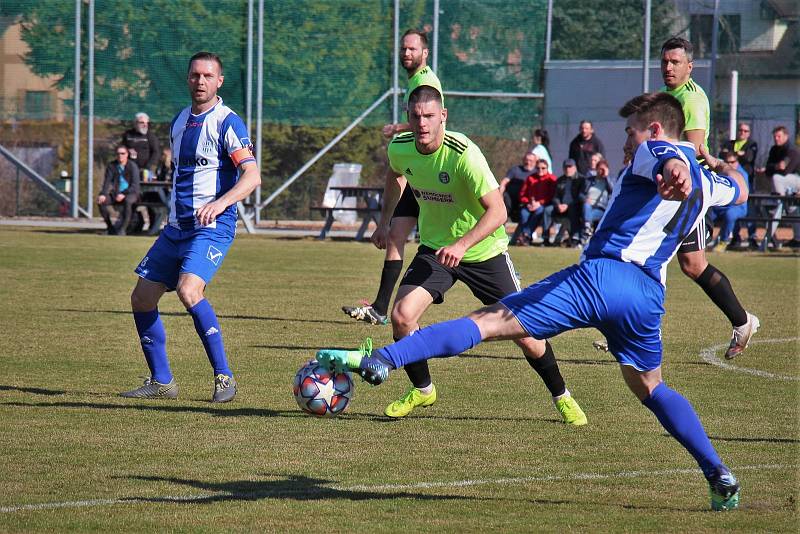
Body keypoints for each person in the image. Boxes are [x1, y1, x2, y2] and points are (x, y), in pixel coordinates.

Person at [318, 92, 747, 512]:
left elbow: (663, 156)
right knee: (650, 387)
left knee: (487, 323)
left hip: (601, 277)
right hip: (648, 296)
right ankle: (718, 473)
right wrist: (722, 164)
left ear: (653, 129)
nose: (625, 143)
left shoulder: (654, 150)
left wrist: (675, 163)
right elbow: (740, 190)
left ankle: (387, 359)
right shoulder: (709, 182)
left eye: (629, 133)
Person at [364, 84, 586, 423]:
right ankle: (423, 390)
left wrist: (463, 244)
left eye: (428, 116)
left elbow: (498, 212)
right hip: (437, 250)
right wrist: (384, 221)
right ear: (407, 118)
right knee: (402, 316)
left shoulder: (464, 153)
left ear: (443, 116)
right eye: (415, 116)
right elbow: (395, 176)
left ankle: (562, 395)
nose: (422, 123)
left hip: (484, 252)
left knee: (527, 334)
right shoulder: (401, 147)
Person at [121, 52, 260, 402]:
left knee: (189, 291)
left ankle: (224, 377)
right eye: (195, 75)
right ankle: (162, 381)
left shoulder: (228, 122)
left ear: (219, 81)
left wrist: (221, 202)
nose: (201, 81)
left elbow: (252, 175)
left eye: (208, 76)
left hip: (213, 226)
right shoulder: (179, 121)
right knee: (141, 298)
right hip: (176, 228)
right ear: (188, 79)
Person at [660, 36, 758, 359]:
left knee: (688, 263)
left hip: (688, 192)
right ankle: (743, 322)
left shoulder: (692, 100)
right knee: (688, 264)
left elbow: (690, 152)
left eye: (675, 62)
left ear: (690, 66)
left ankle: (742, 322)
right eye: (665, 61)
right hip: (669, 189)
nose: (668, 67)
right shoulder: (664, 97)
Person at [342, 29, 442, 326]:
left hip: (428, 172)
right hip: (418, 170)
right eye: (403, 48)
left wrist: (398, 129)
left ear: (425, 53)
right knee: (397, 235)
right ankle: (381, 307)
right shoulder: (415, 81)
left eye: (412, 49)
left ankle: (390, 307)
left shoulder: (425, 82)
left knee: (445, 245)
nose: (406, 53)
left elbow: (429, 123)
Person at [762, 125, 800, 248]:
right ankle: (798, 239)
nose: (776, 139)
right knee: (793, 210)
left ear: (786, 136)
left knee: (776, 178)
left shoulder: (792, 150)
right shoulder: (774, 149)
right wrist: (776, 166)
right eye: (775, 136)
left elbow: (786, 171)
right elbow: (768, 170)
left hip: (796, 181)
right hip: (787, 187)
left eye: (779, 136)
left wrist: (774, 168)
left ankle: (779, 201)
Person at [97, 145, 141, 236]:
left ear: (127, 154)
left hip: (131, 193)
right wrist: (103, 194)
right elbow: (106, 182)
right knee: (101, 201)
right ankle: (110, 228)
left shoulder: (132, 166)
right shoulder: (112, 166)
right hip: (115, 193)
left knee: (128, 201)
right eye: (118, 153)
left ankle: (122, 229)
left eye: (122, 153)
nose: (120, 155)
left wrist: (123, 194)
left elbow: (135, 185)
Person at [709, 151, 749, 249]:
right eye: (728, 162)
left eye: (732, 162)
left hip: (738, 207)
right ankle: (701, 240)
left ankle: (723, 241)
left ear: (737, 161)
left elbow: (742, 197)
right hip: (722, 205)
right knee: (706, 212)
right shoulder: (722, 171)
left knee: (730, 214)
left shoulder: (742, 174)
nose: (730, 164)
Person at [512, 158, 557, 245]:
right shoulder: (530, 178)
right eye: (538, 168)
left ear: (547, 168)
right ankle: (526, 237)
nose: (540, 170)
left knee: (539, 211)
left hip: (543, 205)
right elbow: (522, 194)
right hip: (529, 205)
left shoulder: (552, 179)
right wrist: (527, 202)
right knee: (524, 214)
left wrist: (539, 203)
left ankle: (525, 235)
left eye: (543, 168)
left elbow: (552, 195)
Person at [548, 158, 583, 246]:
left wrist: (567, 205)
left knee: (572, 211)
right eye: (566, 167)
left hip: (574, 206)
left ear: (575, 168)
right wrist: (558, 205)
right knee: (547, 210)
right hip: (560, 206)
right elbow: (555, 196)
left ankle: (574, 237)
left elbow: (581, 197)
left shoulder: (581, 179)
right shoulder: (560, 180)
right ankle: (545, 237)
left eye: (570, 167)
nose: (568, 169)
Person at [578, 158, 612, 245]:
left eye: (603, 169)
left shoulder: (609, 181)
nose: (601, 171)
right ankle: (587, 228)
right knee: (586, 206)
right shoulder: (589, 180)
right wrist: (585, 199)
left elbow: (612, 190)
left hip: (601, 209)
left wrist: (607, 177)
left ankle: (586, 231)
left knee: (588, 214)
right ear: (596, 169)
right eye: (599, 169)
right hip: (588, 206)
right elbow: (581, 194)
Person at [499, 152, 537, 224]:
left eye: (531, 160)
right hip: (510, 197)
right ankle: (501, 228)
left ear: (535, 162)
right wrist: (500, 195)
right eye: (526, 160)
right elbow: (504, 182)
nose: (528, 162)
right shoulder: (515, 169)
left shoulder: (537, 172)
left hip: (526, 199)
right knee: (505, 206)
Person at [122, 112, 160, 181]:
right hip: (129, 169)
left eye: (147, 123)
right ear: (135, 123)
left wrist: (148, 167)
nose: (145, 125)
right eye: (142, 122)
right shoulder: (128, 135)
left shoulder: (151, 136)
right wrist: (127, 150)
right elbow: (121, 148)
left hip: (145, 171)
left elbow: (156, 152)